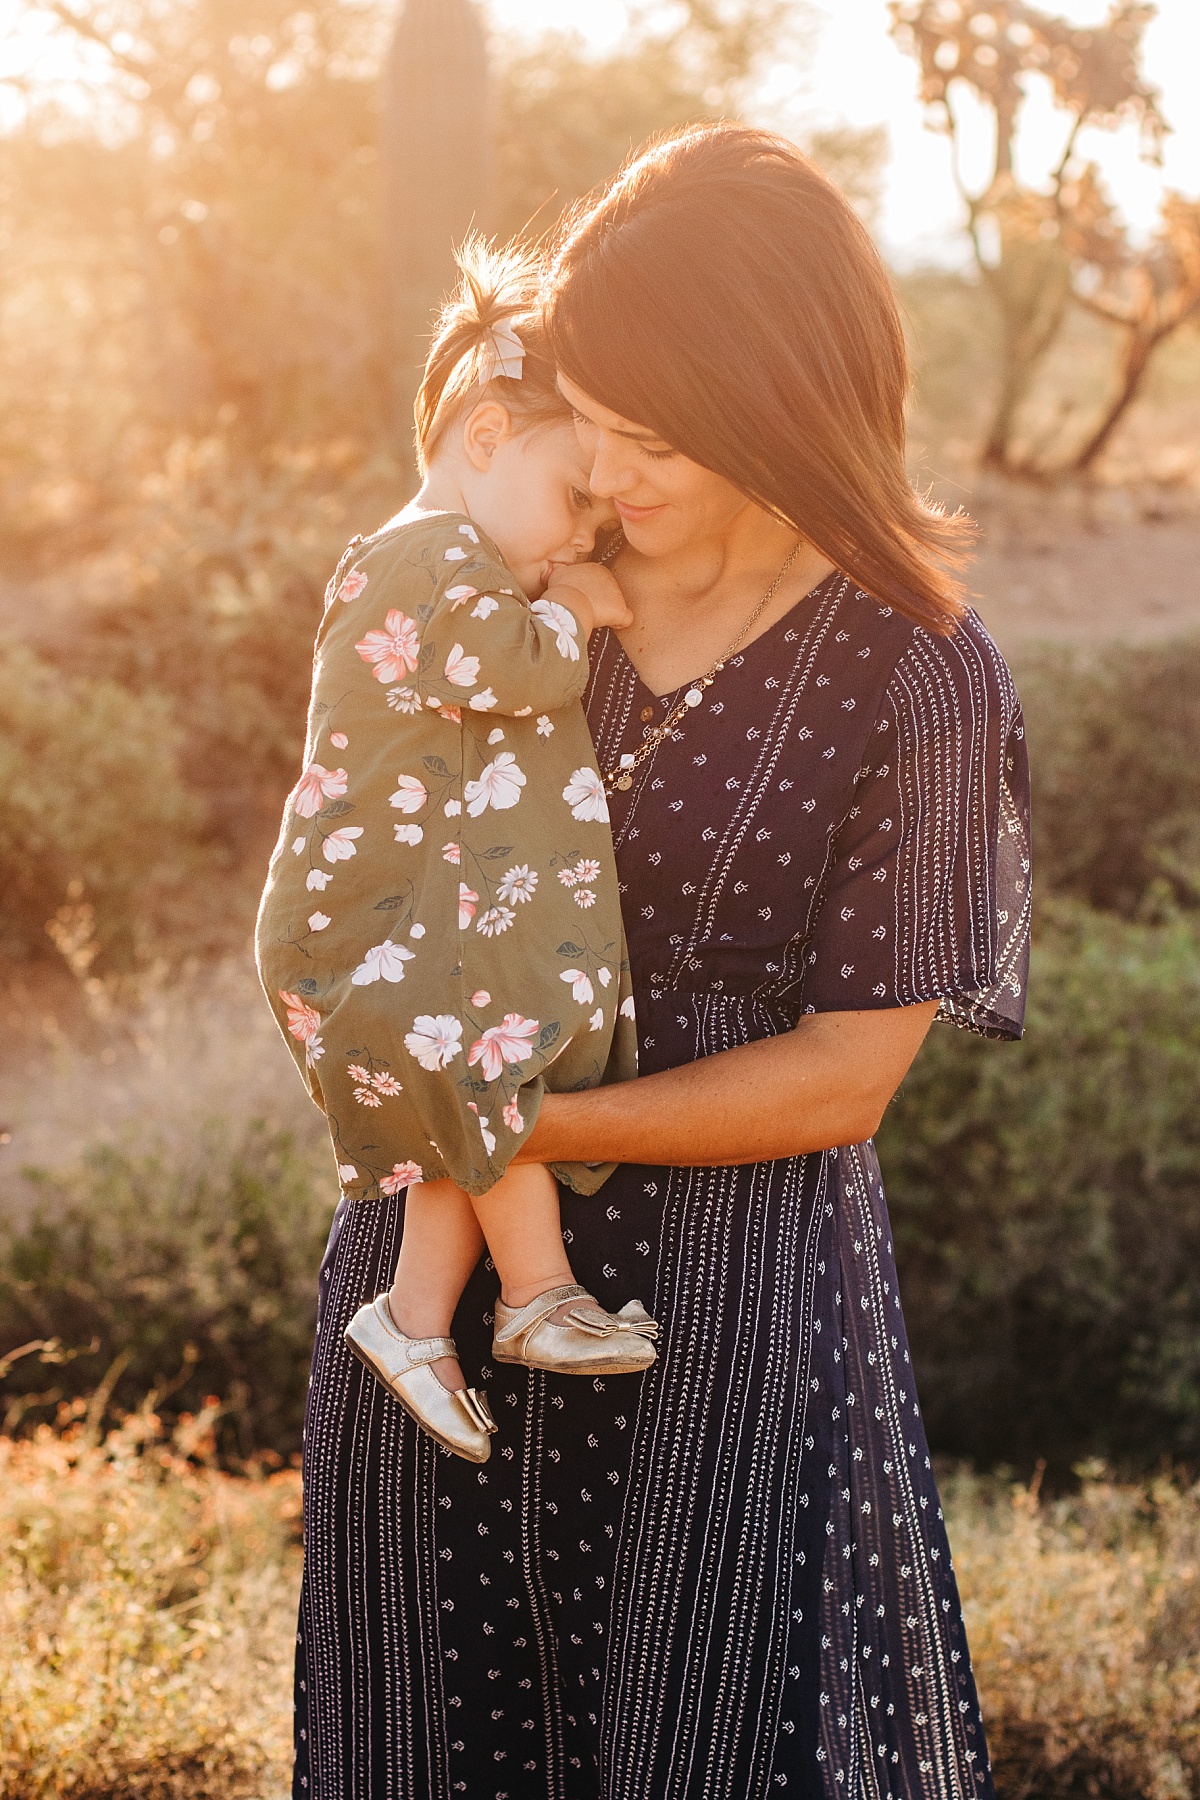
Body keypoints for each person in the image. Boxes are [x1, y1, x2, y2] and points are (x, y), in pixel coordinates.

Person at [292, 124, 1030, 1800]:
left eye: (659, 437)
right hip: (438, 1311)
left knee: (723, 1742)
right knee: (429, 1743)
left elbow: (851, 1077)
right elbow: (361, 834)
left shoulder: (916, 674)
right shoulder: (517, 578)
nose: (615, 472)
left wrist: (511, 1128)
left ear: (781, 408)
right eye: (597, 420)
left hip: (731, 1323)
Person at [256, 243, 658, 1469]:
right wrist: (575, 609)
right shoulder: (429, 556)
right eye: (574, 496)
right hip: (376, 919)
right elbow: (502, 666)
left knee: (466, 1099)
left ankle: (420, 1315)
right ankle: (534, 1294)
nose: (585, 532)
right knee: (486, 1070)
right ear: (486, 434)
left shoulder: (458, 560)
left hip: (409, 913)